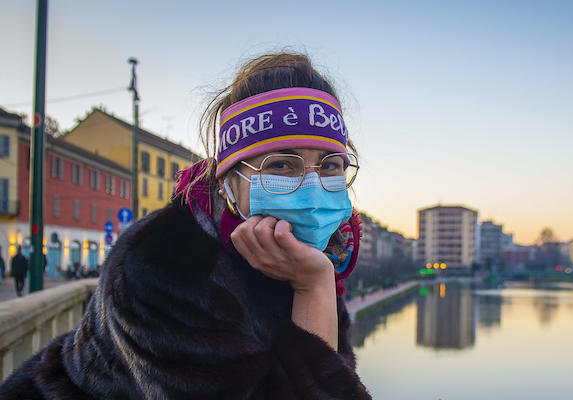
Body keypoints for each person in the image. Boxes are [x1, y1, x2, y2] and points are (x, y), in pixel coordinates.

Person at [0, 53, 371, 399]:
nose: (311, 185)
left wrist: (317, 284)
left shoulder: (316, 256)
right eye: (280, 165)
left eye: (329, 165)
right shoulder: (162, 264)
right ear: (229, 179)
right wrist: (312, 288)